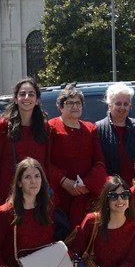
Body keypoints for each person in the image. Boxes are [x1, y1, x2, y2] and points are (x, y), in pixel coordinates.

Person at [47, 86, 108, 226]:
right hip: (59, 193)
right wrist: (64, 181)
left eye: (78, 103)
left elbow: (99, 162)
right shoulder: (51, 127)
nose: (75, 106)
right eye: (70, 103)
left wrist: (87, 184)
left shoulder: (90, 128)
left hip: (85, 193)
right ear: (60, 107)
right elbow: (44, 161)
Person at [0, 78, 50, 214]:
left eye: (31, 94)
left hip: (37, 198)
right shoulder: (4, 126)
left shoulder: (44, 128)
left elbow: (46, 164)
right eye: (22, 94)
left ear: (37, 100)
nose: (26, 97)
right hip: (9, 197)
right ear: (16, 99)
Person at [95, 83, 135, 183]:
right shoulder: (98, 129)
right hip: (111, 189)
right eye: (118, 104)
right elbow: (96, 164)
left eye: (126, 104)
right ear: (109, 106)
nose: (122, 107)